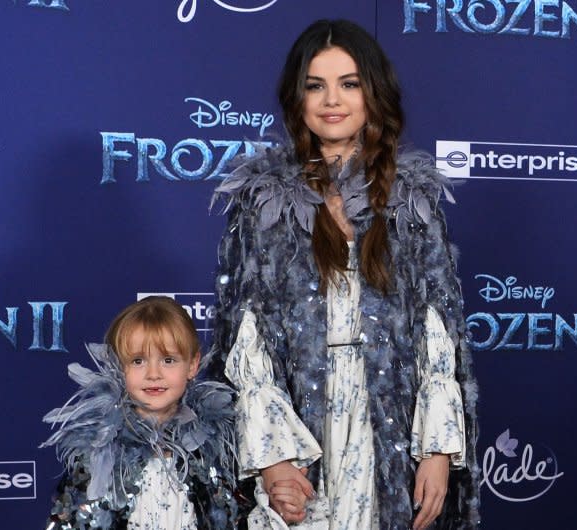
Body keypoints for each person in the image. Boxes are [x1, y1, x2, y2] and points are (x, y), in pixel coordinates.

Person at [208, 19, 480, 530]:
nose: (332, 100)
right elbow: (248, 336)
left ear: (373, 93)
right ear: (297, 97)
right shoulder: (263, 202)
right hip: (300, 426)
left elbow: (437, 333)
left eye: (349, 83)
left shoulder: (411, 200)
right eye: (316, 85)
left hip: (393, 426)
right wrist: (273, 458)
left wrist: (438, 450)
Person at [41, 296, 240, 529]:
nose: (153, 373)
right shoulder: (99, 452)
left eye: (168, 360)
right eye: (138, 361)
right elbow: (73, 520)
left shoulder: (213, 447)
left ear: (192, 364)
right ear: (117, 367)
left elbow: (230, 516)